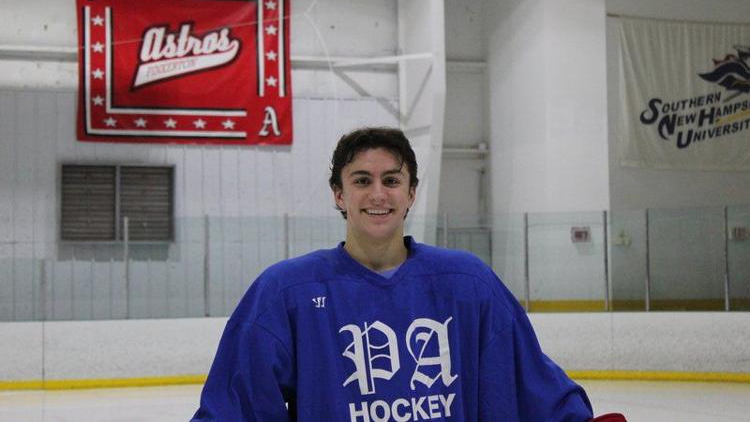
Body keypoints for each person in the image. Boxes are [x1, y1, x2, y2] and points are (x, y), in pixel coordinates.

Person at [192, 126, 594, 421]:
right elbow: (237, 403)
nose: (378, 194)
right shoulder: (287, 291)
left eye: (392, 180)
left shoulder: (468, 284)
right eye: (362, 181)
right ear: (339, 194)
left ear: (411, 193)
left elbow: (530, 384)